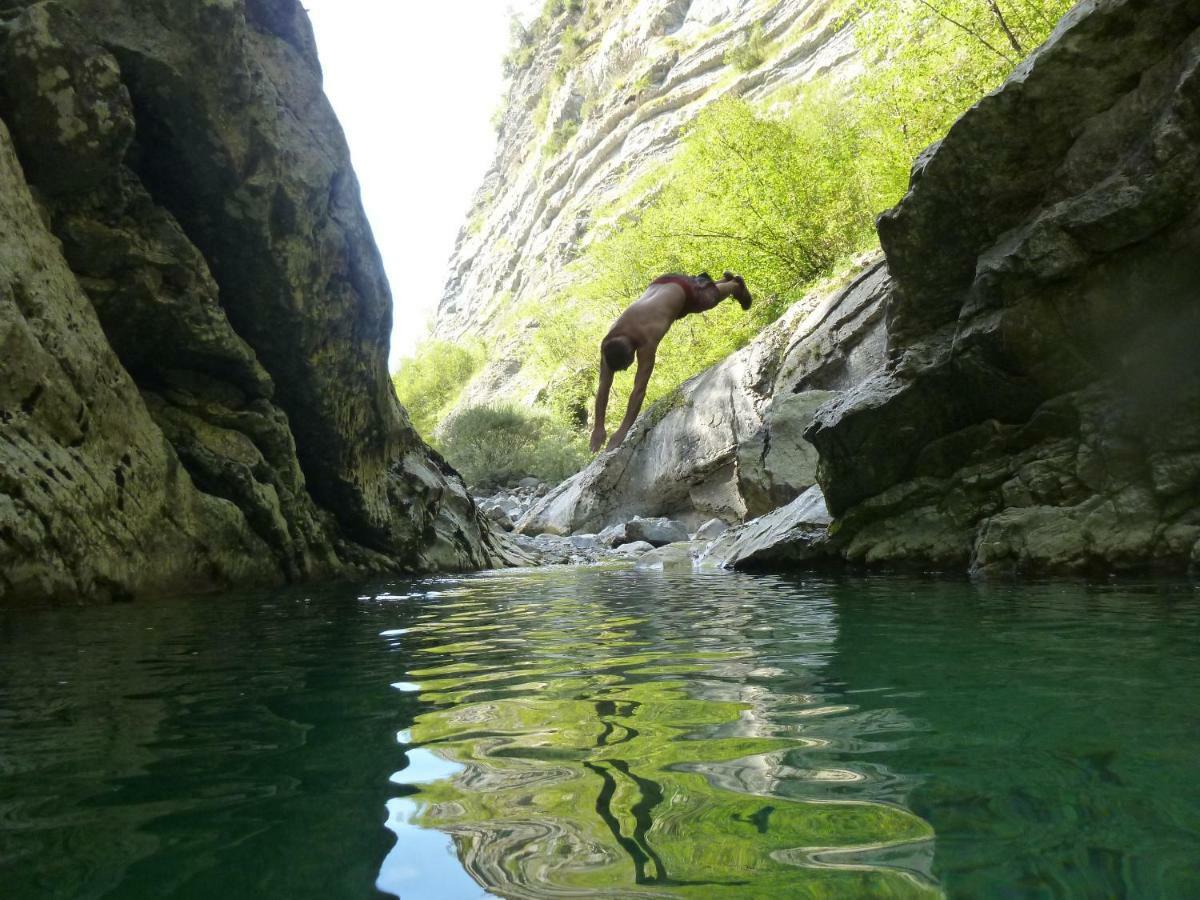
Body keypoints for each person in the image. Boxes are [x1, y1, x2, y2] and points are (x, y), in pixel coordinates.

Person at [590, 271, 753, 453]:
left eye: (628, 365)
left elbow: (639, 390)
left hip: (681, 290)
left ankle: (734, 285)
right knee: (694, 299)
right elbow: (603, 386)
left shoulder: (647, 339)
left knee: (708, 299)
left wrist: (623, 431)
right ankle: (721, 281)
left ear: (632, 353)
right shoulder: (608, 343)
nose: (629, 369)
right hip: (662, 284)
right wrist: (598, 426)